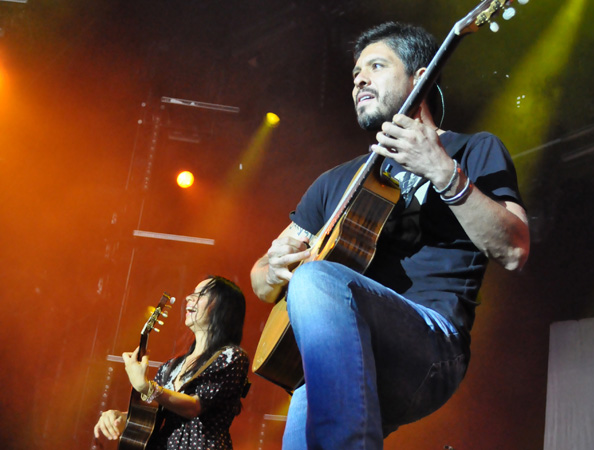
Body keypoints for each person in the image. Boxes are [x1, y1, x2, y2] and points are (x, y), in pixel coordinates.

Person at [250, 22, 530, 449]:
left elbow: (514, 249)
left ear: (421, 78)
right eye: (355, 74)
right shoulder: (335, 181)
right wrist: (275, 266)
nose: (359, 79)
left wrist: (443, 173)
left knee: (315, 279)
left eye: (376, 66)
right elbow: (258, 279)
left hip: (432, 346)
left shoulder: (473, 150)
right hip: (343, 352)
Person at [94, 275, 249, 449]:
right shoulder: (170, 366)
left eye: (202, 294)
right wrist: (120, 417)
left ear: (224, 307)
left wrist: (147, 388)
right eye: (192, 293)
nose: (189, 298)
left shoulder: (231, 356)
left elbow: (194, 406)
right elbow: (154, 414)